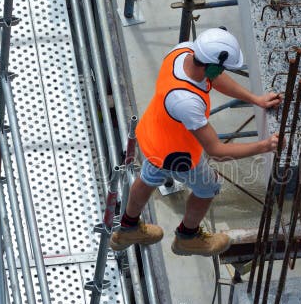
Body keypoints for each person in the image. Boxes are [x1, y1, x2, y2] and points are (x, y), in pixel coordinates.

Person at [110, 28, 282, 256]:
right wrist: (264, 146)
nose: (221, 72)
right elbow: (216, 151)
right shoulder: (187, 101)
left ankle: (128, 228)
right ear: (211, 65)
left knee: (150, 176)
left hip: (154, 132)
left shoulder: (183, 52)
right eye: (220, 68)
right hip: (176, 155)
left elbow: (216, 78)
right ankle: (187, 238)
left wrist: (255, 99)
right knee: (207, 188)